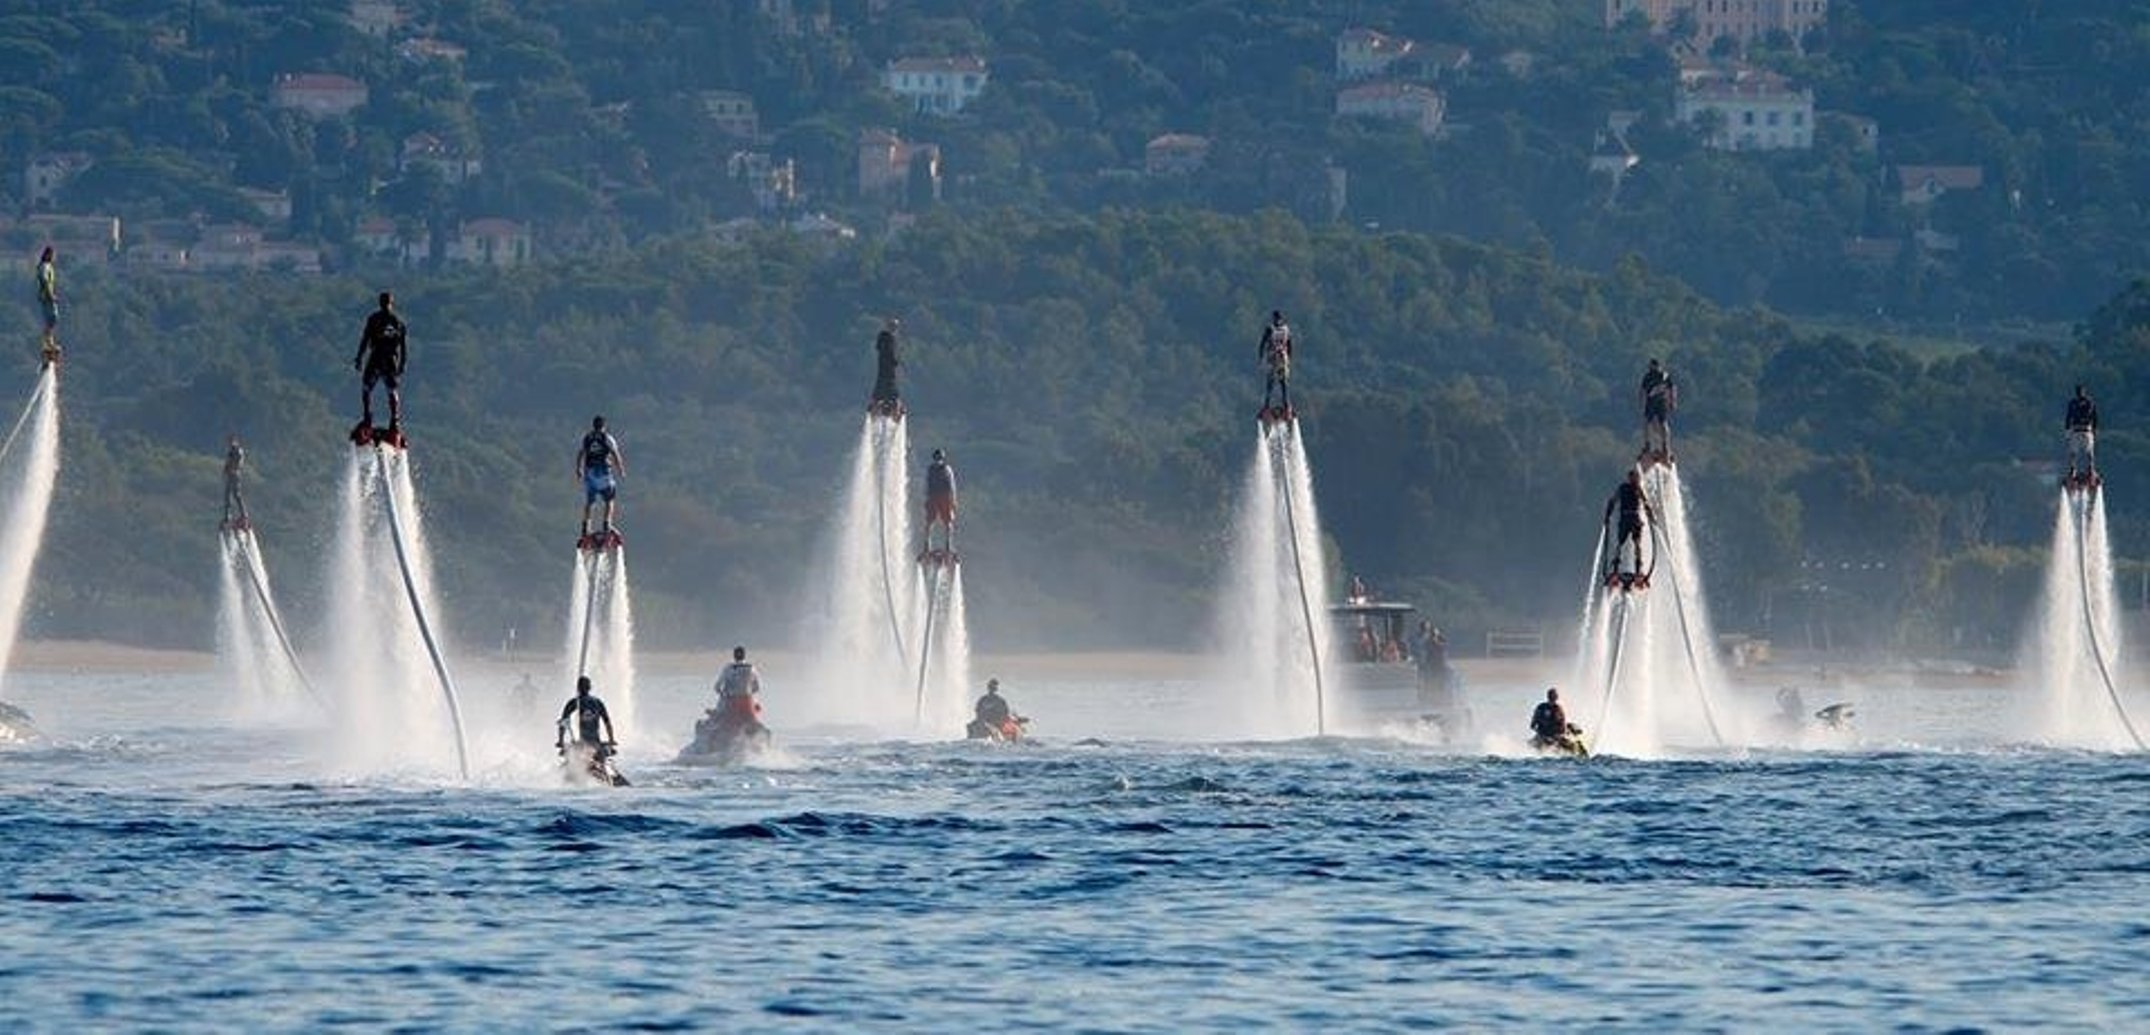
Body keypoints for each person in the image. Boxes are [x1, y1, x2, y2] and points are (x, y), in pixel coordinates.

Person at [352, 291, 407, 428]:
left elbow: (365, 340)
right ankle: (392, 419)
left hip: (378, 358)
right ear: (391, 303)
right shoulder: (397, 321)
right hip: (388, 359)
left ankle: (371, 417)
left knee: (368, 388)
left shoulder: (377, 319)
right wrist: (402, 364)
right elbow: (403, 347)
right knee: (390, 389)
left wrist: (359, 357)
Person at [577, 416, 625, 538]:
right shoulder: (607, 438)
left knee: (590, 502)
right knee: (609, 500)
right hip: (604, 474)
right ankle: (607, 525)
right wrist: (621, 469)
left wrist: (579, 469)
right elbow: (615, 454)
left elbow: (581, 453)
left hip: (590, 475)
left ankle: (585, 527)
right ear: (604, 426)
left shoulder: (587, 438)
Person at [1603, 469, 1655, 579]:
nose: (1635, 480)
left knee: (1637, 544)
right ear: (1629, 478)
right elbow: (1613, 500)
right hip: (1625, 519)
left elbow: (1645, 503)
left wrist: (1650, 515)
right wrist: (1608, 515)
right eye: (1633, 477)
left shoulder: (1638, 489)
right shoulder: (1623, 488)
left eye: (1636, 478)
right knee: (1620, 544)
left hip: (1635, 519)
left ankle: (1638, 569)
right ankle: (1615, 568)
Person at [556, 675, 617, 750]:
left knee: (566, 751)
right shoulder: (598, 702)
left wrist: (560, 740)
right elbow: (607, 722)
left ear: (578, 688)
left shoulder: (573, 702)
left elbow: (563, 722)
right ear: (590, 688)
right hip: (595, 742)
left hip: (581, 744)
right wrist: (611, 739)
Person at [1640, 358, 1677, 460]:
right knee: (1656, 423)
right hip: (1658, 402)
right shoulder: (1660, 375)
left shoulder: (1653, 376)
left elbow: (1672, 387)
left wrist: (1672, 400)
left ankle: (1656, 445)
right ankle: (1657, 445)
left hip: (1655, 402)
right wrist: (1672, 401)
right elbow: (1672, 388)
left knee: (1654, 423)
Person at [923, 448, 957, 555]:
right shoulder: (946, 469)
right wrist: (953, 500)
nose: (938, 460)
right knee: (946, 523)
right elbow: (952, 486)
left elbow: (927, 484)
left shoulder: (933, 469)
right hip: (941, 497)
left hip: (937, 496)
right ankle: (946, 544)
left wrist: (926, 497)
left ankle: (929, 544)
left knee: (932, 522)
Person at [1259, 310, 1293, 412]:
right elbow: (1290, 345)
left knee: (1270, 382)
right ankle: (1287, 404)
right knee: (1283, 382)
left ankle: (1266, 405)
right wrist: (1289, 358)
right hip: (1283, 357)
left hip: (1273, 358)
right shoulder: (1286, 329)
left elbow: (1263, 343)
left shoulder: (1270, 329)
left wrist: (1261, 356)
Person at [2065, 384, 2099, 482]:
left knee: (2080, 452)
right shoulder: (2088, 402)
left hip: (2081, 429)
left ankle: (2085, 468)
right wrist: (2095, 429)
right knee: (2085, 451)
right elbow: (2094, 417)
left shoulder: (2076, 403)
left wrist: (2067, 431)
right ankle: (2084, 468)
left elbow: (2069, 417)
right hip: (2083, 429)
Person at [871, 317, 902, 411]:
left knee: (878, 392)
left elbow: (878, 348)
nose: (895, 328)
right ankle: (895, 410)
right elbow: (890, 353)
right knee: (893, 393)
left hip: (881, 370)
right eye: (895, 326)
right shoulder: (890, 339)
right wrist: (895, 361)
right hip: (889, 371)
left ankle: (874, 409)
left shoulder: (881, 337)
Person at [35, 247, 58, 358]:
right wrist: (50, 295)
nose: (53, 257)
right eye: (52, 255)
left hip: (48, 296)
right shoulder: (44, 266)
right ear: (48, 255)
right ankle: (47, 342)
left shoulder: (49, 266)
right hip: (46, 296)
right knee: (52, 317)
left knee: (51, 319)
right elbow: (45, 281)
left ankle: (49, 341)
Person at [222, 435, 248, 529]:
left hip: (235, 475)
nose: (230, 444)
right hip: (230, 475)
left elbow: (240, 463)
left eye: (232, 441)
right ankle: (228, 516)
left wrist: (234, 469)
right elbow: (227, 462)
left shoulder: (239, 451)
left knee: (237, 495)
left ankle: (244, 515)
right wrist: (225, 470)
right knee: (227, 496)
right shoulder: (230, 452)